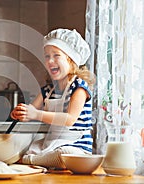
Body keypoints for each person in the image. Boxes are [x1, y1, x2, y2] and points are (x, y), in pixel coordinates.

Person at [11, 28, 96, 169]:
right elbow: (32, 109)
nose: (50, 61)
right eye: (47, 56)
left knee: (64, 155)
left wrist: (36, 115)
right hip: (52, 142)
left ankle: (33, 161)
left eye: (56, 55)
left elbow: (69, 119)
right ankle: (37, 159)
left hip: (76, 146)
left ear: (72, 60)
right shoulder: (48, 90)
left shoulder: (79, 87)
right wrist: (23, 113)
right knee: (29, 149)